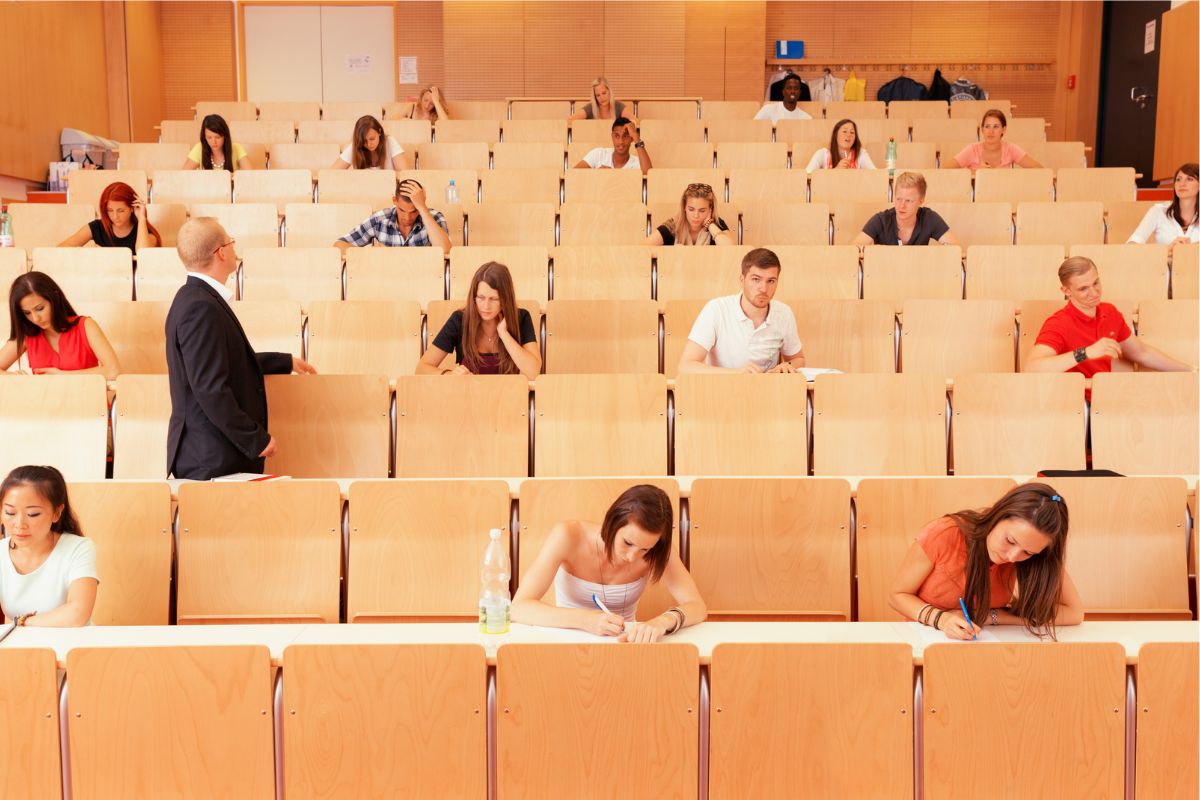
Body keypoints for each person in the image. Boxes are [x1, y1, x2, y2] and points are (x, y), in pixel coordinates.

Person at [165, 218, 317, 480]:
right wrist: (254, 438)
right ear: (221, 252)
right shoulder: (200, 308)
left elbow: (222, 361)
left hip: (209, 453)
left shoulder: (192, 298)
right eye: (231, 242)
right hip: (211, 457)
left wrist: (283, 361)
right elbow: (210, 388)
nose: (234, 249)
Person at [511, 484, 706, 643]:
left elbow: (697, 607)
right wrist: (585, 620)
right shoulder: (568, 535)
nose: (632, 557)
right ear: (612, 522)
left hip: (624, 645)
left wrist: (664, 621)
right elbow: (519, 608)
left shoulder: (659, 550)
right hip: (566, 641)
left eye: (645, 549)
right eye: (628, 543)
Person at [889, 482, 1084, 640]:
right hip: (923, 640)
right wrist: (940, 619)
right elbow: (897, 595)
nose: (1012, 557)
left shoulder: (1037, 552)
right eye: (1010, 541)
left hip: (984, 647)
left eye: (1028, 552)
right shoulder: (944, 533)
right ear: (999, 515)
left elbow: (1074, 613)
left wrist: (993, 617)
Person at [1024, 256, 1194, 376]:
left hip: (1105, 398)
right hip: (1074, 404)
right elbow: (1032, 368)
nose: (1094, 292)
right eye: (1083, 289)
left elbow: (1142, 353)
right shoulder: (1059, 323)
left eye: (1096, 282)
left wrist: (1191, 370)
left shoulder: (1110, 312)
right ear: (1066, 291)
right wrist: (1086, 353)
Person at [678, 247, 805, 374]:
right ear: (742, 280)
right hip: (722, 390)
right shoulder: (716, 309)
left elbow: (798, 359)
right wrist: (737, 374)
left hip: (768, 390)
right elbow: (686, 366)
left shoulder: (784, 313)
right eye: (756, 279)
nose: (764, 289)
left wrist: (785, 366)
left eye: (771, 281)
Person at [0, 465, 99, 627]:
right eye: (10, 513)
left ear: (57, 513)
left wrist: (22, 623)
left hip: (74, 648)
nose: (19, 524)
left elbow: (77, 613)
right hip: (24, 649)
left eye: (33, 514)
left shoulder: (79, 547)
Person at [416, 261, 541, 378]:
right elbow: (422, 369)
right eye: (481, 297)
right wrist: (449, 375)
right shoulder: (459, 320)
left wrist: (504, 334)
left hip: (508, 397)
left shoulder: (521, 318)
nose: (486, 306)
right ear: (473, 297)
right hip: (468, 398)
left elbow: (533, 372)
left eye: (493, 299)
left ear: (505, 299)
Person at [0, 272, 121, 378]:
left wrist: (62, 376)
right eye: (27, 313)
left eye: (40, 308)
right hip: (46, 403)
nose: (35, 318)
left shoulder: (85, 326)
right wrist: (14, 377)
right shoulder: (28, 335)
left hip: (87, 400)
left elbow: (113, 371)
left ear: (55, 298)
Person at [333, 178, 451, 255]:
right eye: (402, 210)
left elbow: (445, 250)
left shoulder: (434, 217)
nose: (407, 217)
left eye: (414, 211)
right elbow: (338, 246)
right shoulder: (380, 219)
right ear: (394, 200)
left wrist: (422, 208)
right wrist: (368, 253)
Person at [853, 171, 958, 247]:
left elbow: (955, 248)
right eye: (898, 199)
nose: (901, 206)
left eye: (908, 201)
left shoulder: (929, 218)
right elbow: (854, 248)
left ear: (921, 201)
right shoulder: (881, 220)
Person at [57, 181, 161, 253]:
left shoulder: (145, 232)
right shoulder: (97, 227)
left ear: (132, 208)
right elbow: (61, 249)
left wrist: (142, 218)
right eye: (110, 211)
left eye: (121, 210)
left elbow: (143, 255)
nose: (115, 216)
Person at [1127, 162, 1199, 254]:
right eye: (1178, 179)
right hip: (1163, 267)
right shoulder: (1158, 211)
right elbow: (1131, 245)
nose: (1182, 183)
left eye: (1189, 179)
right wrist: (1166, 250)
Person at [644, 183, 733, 246]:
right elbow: (643, 249)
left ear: (711, 209)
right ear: (684, 207)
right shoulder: (672, 226)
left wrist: (710, 225)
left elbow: (731, 251)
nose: (696, 215)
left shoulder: (717, 224)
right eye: (691, 209)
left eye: (702, 211)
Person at [952, 109, 1042, 172]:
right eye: (987, 127)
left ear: (1003, 130)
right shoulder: (972, 150)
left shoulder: (1010, 149)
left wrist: (1014, 175)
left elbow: (1039, 169)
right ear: (982, 130)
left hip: (1005, 196)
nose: (991, 131)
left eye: (996, 127)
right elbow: (945, 170)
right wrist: (975, 173)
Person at [572, 117, 652, 174]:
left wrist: (635, 136)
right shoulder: (598, 154)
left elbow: (648, 175)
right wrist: (595, 173)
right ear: (612, 137)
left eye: (625, 136)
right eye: (617, 136)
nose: (621, 141)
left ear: (631, 139)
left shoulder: (638, 162)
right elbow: (573, 174)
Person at [329, 115, 410, 171]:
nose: (369, 145)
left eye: (372, 139)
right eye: (364, 141)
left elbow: (404, 173)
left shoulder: (390, 142)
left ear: (379, 132)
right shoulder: (356, 146)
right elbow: (332, 173)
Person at [181, 114, 252, 171]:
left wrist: (233, 176)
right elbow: (184, 174)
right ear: (204, 137)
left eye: (217, 137)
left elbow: (251, 174)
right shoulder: (199, 148)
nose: (213, 142)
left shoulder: (236, 148)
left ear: (225, 136)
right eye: (209, 137)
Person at [804, 118, 877, 172]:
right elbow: (807, 175)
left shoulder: (861, 154)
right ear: (836, 135)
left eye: (852, 132)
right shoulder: (822, 154)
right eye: (844, 131)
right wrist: (836, 171)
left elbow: (875, 175)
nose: (848, 135)